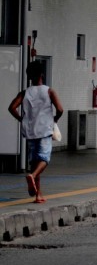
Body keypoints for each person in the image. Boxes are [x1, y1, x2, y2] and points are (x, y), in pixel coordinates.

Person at [8, 60, 64, 203]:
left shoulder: (25, 92)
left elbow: (12, 107)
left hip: (30, 131)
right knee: (44, 159)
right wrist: (54, 120)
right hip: (45, 129)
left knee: (34, 162)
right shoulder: (49, 91)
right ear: (42, 75)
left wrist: (22, 119)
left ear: (30, 76)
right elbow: (60, 109)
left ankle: (38, 195)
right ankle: (32, 176)